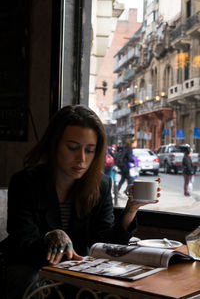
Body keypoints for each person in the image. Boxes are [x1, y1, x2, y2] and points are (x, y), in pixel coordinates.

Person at [0, 105, 160, 298]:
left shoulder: (101, 184)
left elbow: (107, 245)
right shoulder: (26, 182)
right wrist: (51, 237)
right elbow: (22, 242)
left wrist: (131, 209)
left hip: (79, 271)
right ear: (54, 144)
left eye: (90, 150)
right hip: (35, 266)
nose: (81, 159)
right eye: (73, 148)